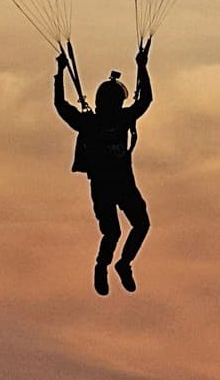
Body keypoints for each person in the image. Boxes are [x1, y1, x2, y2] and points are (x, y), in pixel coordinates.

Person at [54, 42, 152, 295]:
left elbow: (62, 106)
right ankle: (106, 266)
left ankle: (120, 264)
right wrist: (142, 68)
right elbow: (145, 100)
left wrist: (60, 73)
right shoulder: (103, 121)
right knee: (117, 230)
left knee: (132, 226)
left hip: (116, 185)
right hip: (109, 186)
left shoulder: (95, 121)